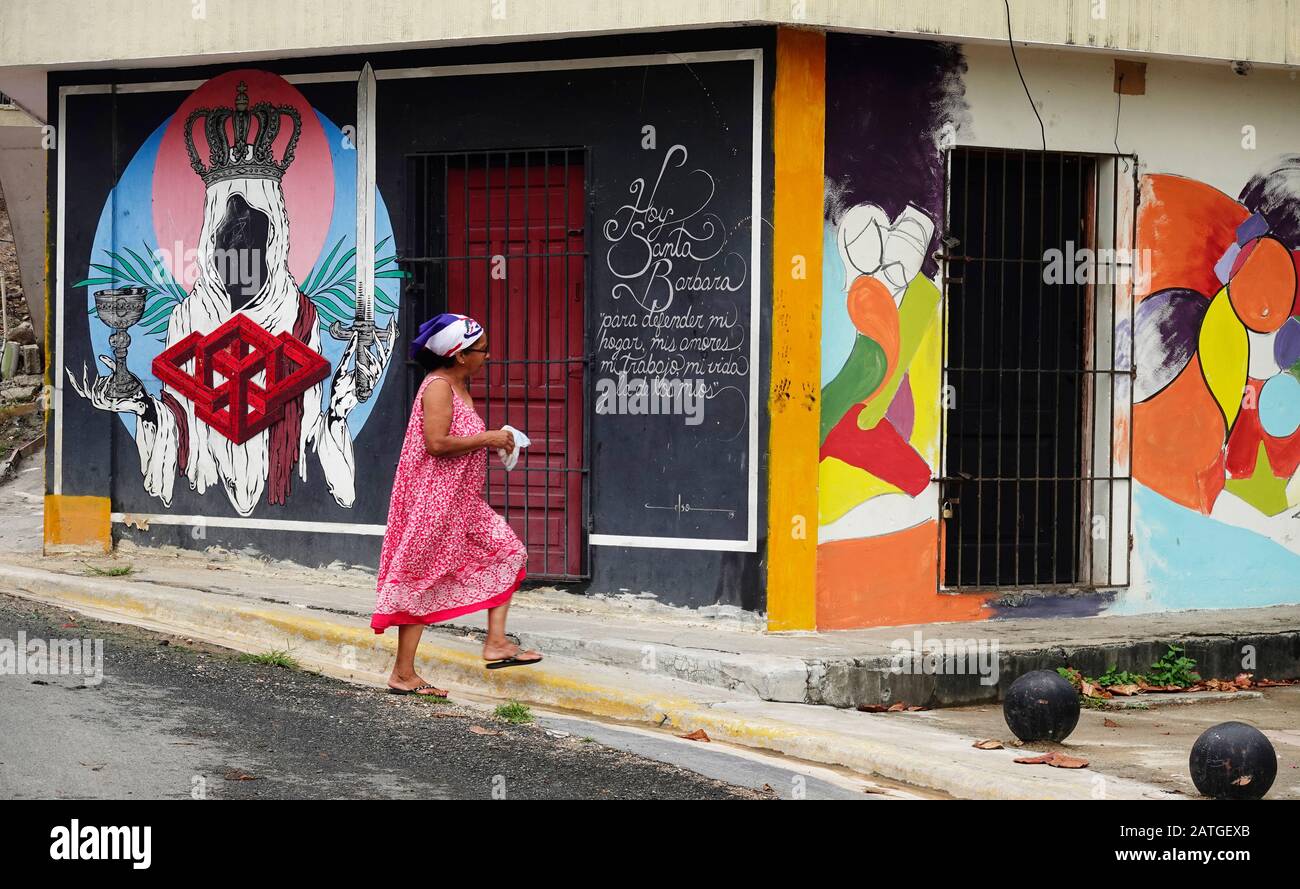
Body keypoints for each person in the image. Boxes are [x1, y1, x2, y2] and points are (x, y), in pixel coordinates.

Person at [372, 313, 542, 696]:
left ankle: (496, 643)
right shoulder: (437, 387)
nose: (488, 356)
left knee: (509, 552)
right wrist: (489, 438)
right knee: (420, 580)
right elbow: (436, 443)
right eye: (482, 350)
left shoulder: (459, 385)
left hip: (462, 501)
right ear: (460, 355)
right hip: (433, 501)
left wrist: (495, 440)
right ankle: (403, 673)